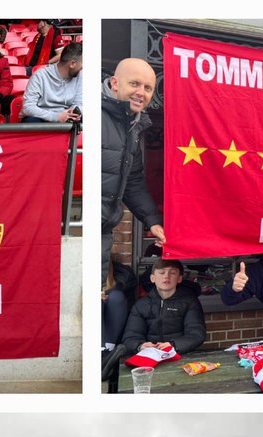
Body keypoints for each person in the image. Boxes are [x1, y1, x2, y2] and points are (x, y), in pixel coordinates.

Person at [101, 57, 163, 298]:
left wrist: (152, 221)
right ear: (115, 83)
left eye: (148, 88)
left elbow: (133, 180)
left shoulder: (133, 126)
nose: (141, 93)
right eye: (134, 84)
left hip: (105, 230)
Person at [122, 259, 206, 357]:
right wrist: (140, 346)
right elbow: (130, 337)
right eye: (162, 272)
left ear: (179, 278)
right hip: (150, 357)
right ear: (152, 278)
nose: (166, 276)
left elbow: (196, 334)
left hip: (181, 355)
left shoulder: (190, 302)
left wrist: (173, 345)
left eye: (173, 273)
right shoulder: (141, 305)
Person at [24, 40, 83, 125]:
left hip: (67, 117)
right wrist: (57, 117)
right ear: (72, 64)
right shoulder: (40, 75)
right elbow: (28, 107)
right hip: (43, 118)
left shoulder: (79, 76)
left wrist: (73, 113)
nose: (83, 67)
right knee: (31, 121)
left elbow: (79, 103)